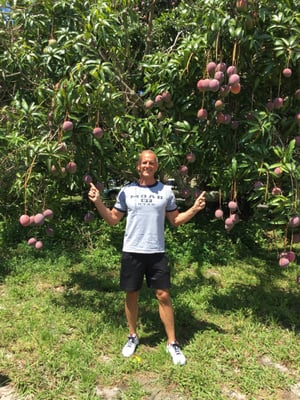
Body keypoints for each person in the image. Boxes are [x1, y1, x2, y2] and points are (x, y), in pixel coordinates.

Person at [88, 149, 206, 365]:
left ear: (156, 167)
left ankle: (172, 342)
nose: (147, 166)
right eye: (144, 162)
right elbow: (113, 219)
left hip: (156, 252)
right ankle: (132, 335)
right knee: (131, 294)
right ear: (138, 166)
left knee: (163, 295)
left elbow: (176, 220)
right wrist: (97, 202)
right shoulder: (126, 191)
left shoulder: (165, 192)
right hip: (132, 251)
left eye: (151, 163)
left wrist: (195, 209)